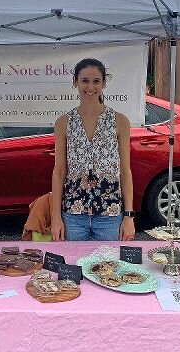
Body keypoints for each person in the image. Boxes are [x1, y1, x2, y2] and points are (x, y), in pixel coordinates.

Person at [50, 58, 136, 241]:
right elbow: (59, 172)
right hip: (73, 213)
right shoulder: (63, 123)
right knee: (73, 266)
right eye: (85, 81)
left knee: (108, 267)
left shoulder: (120, 121)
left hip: (110, 214)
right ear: (75, 82)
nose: (90, 87)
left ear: (104, 83)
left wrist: (129, 216)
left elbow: (125, 171)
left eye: (96, 81)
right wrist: (55, 217)